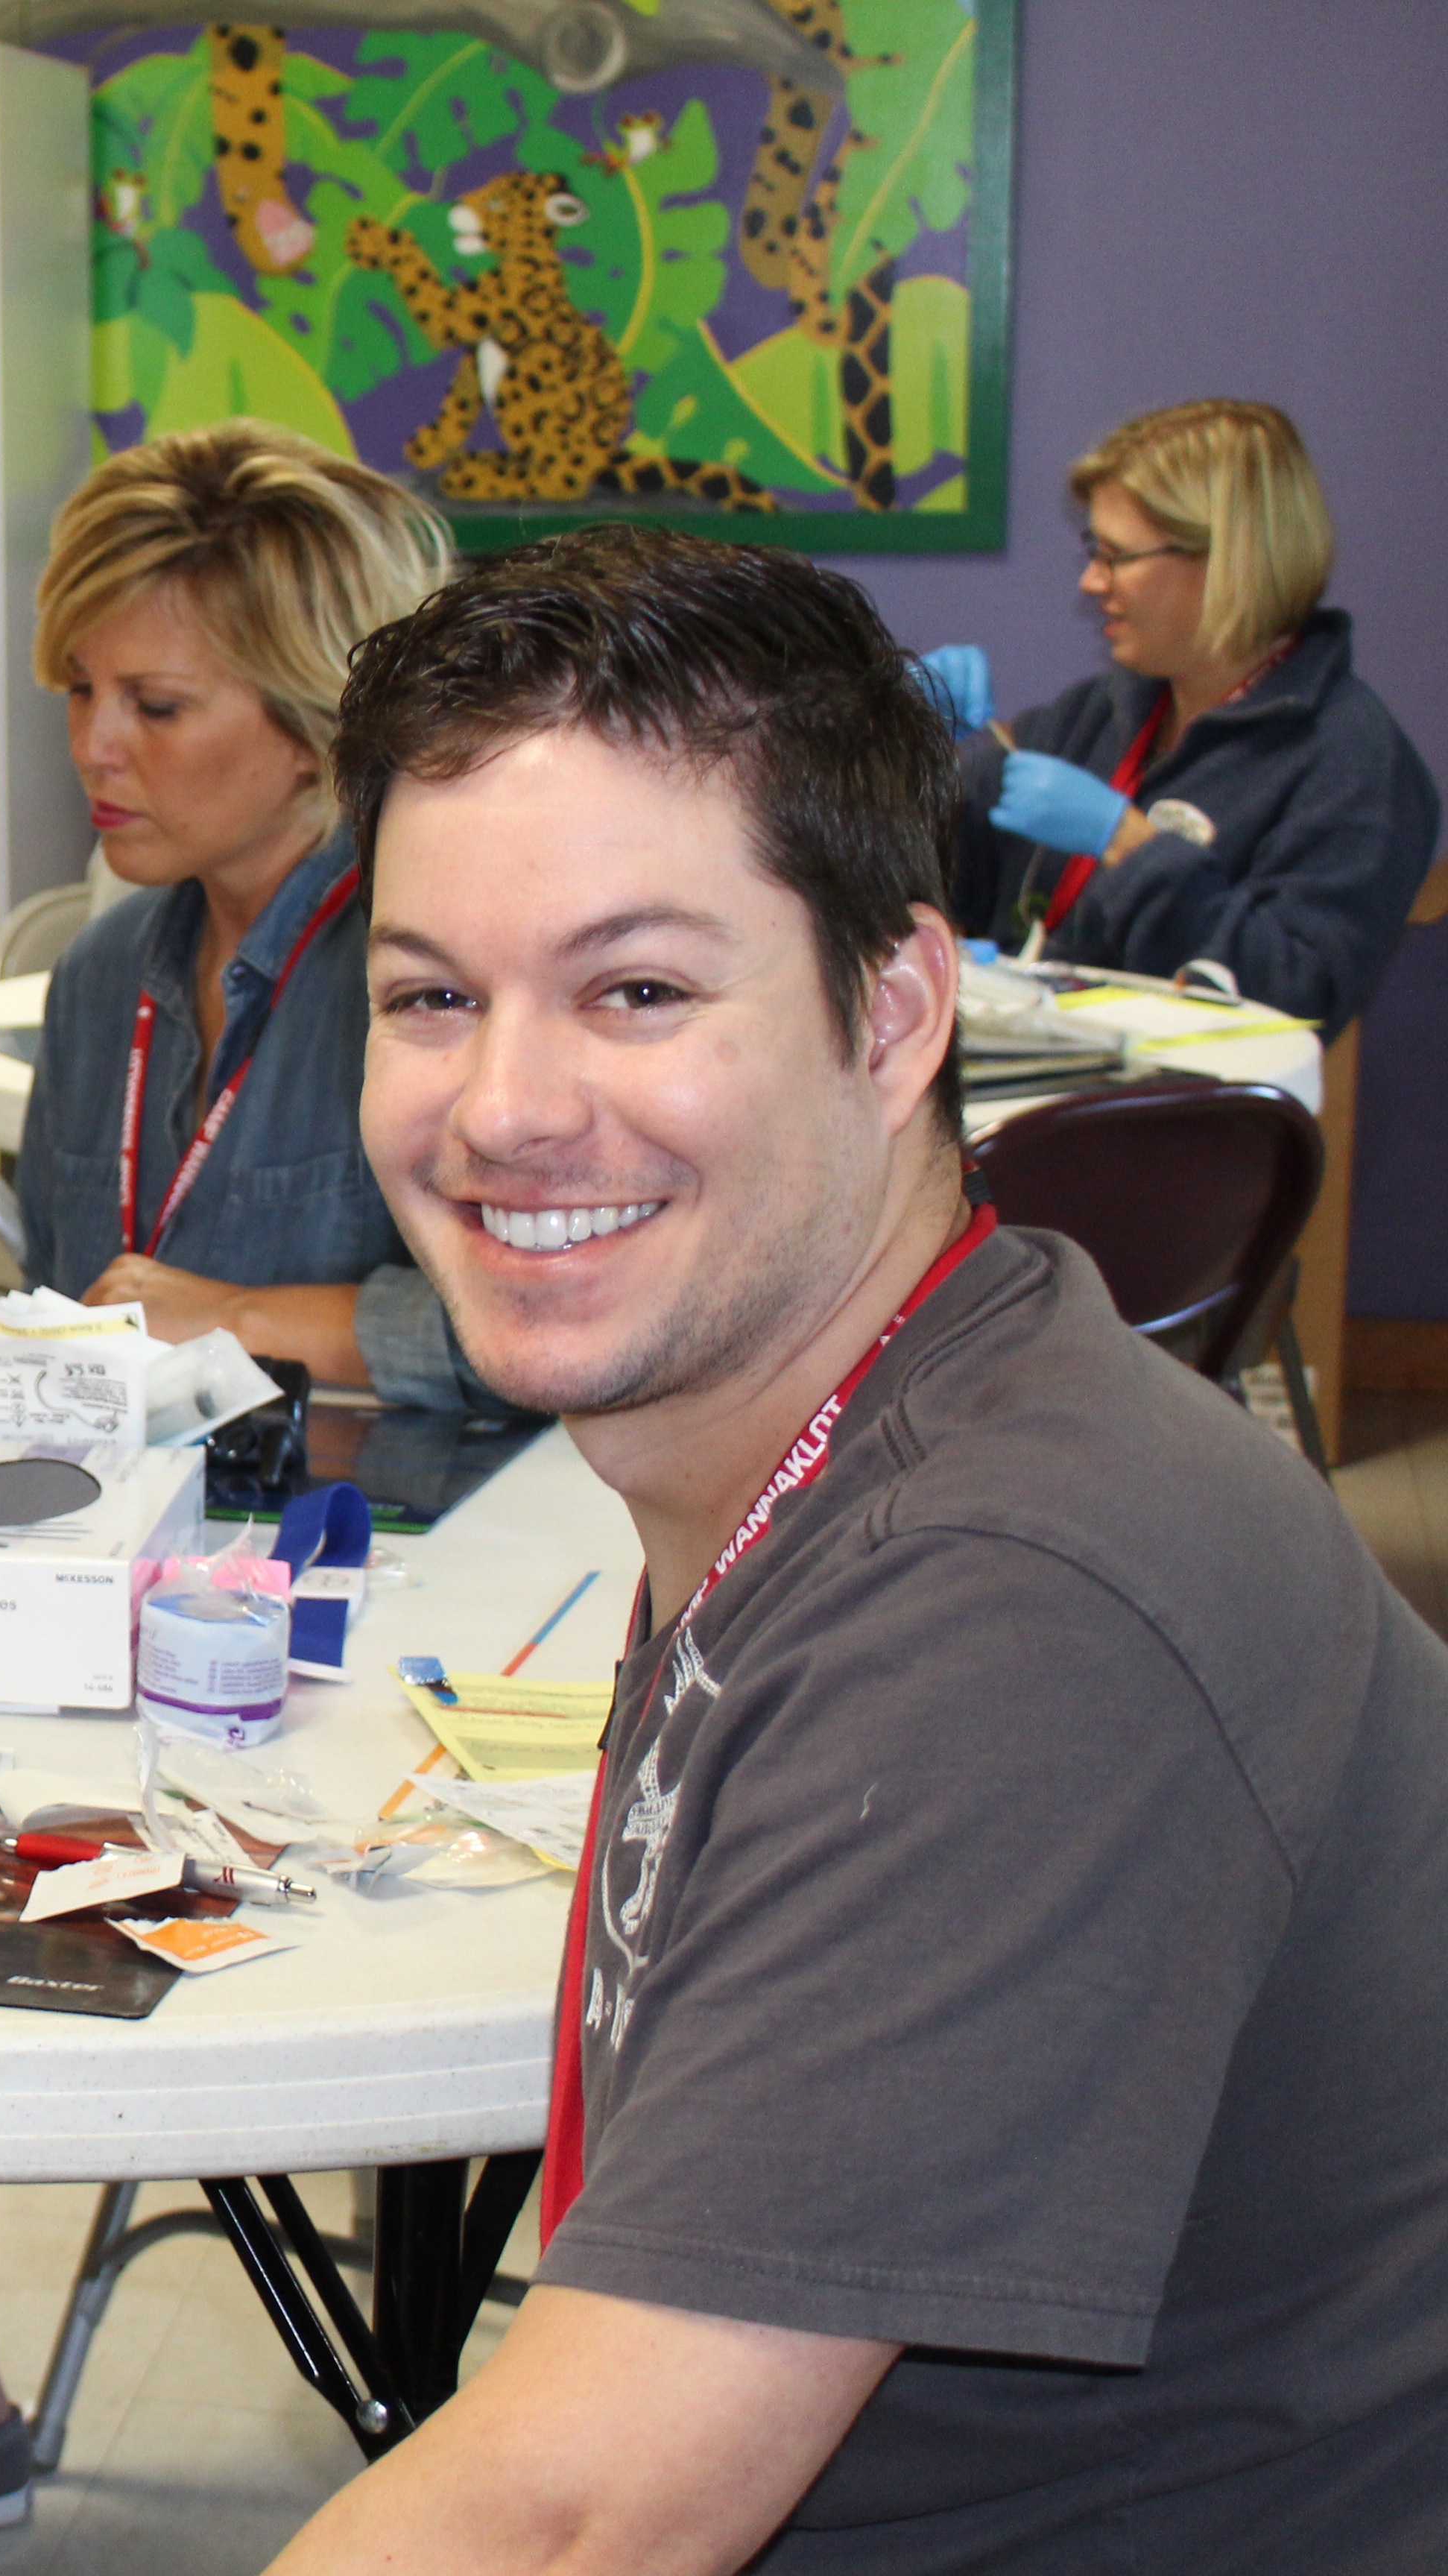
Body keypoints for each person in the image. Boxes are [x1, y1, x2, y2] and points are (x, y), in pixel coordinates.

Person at [257, 525, 1448, 2572]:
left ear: (896, 1010)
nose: (505, 1108)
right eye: (433, 996)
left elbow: (568, 2527)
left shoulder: (1017, 1605)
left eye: (638, 988)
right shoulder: (866, 1424)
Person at [0, 420, 489, 2535]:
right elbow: (73, 1321)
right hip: (137, 1560)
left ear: (314, 724)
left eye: (155, 704)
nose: (93, 749)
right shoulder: (109, 973)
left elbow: (521, 1315)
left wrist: (250, 1310)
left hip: (410, 1569)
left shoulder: (438, 952)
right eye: (79, 693)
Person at [928, 398, 1438, 1029]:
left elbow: (1296, 996)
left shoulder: (1354, 763)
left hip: (1187, 1120)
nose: (1091, 581)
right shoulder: (1103, 713)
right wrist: (891, 735)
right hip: (1036, 1094)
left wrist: (1129, 846)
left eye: (1115, 555)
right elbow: (911, 859)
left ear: (1228, 561)